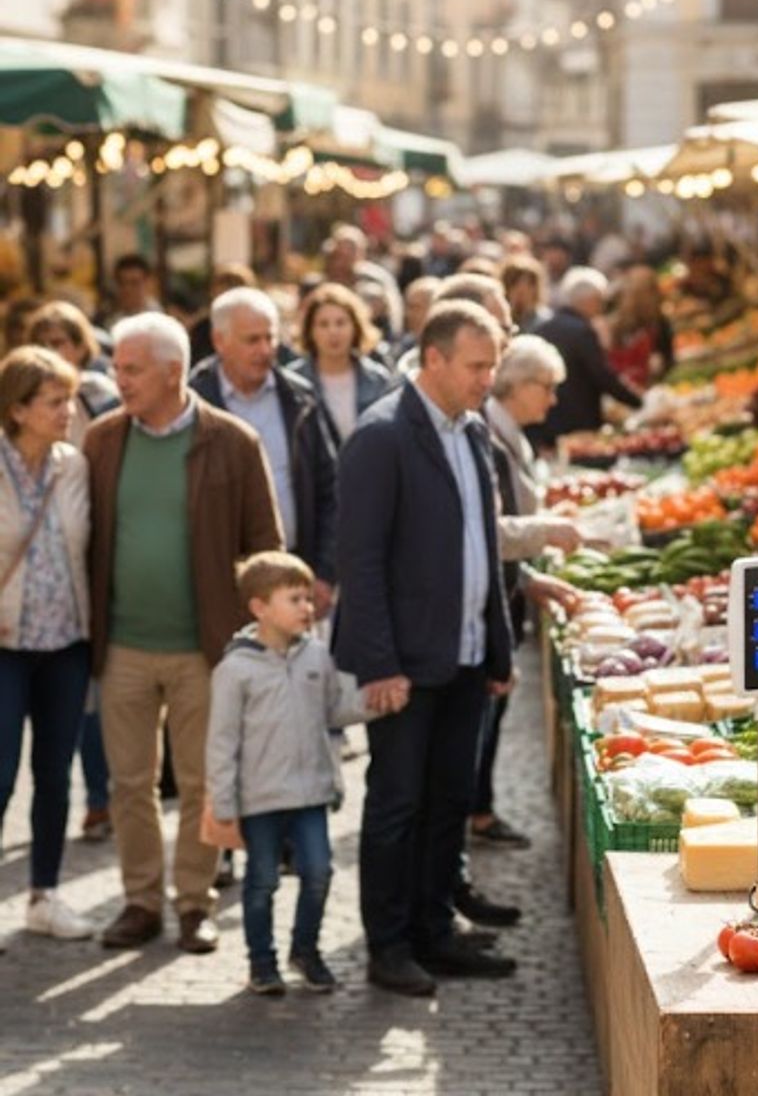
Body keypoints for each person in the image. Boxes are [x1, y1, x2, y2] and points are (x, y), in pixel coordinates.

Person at [84, 312, 283, 952]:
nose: (120, 380)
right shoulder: (102, 440)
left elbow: (265, 547)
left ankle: (194, 903)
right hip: (122, 645)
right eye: (117, 368)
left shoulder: (233, 441)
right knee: (128, 783)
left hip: (206, 648)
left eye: (132, 369)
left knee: (203, 780)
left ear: (173, 372)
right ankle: (141, 901)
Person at [335, 300, 516, 997]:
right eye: (477, 365)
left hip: (466, 657)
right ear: (433, 359)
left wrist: (498, 650)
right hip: (406, 666)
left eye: (494, 364)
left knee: (447, 801)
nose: (487, 379)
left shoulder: (472, 434)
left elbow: (485, 548)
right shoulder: (381, 436)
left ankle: (436, 928)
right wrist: (379, 664)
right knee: (395, 806)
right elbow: (362, 560)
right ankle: (389, 944)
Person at [206, 551, 391, 996]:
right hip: (260, 799)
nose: (308, 608)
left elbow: (334, 710)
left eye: (309, 598)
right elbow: (222, 741)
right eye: (295, 599)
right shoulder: (234, 671)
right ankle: (261, 961)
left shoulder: (317, 658)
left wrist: (375, 703)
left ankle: (304, 950)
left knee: (319, 871)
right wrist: (224, 803)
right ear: (259, 608)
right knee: (262, 880)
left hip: (311, 795)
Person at [0, 347, 93, 939]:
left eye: (69, 399)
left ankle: (45, 895)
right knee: (0, 775)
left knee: (56, 774)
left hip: (66, 644)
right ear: (17, 409)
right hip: (4, 646)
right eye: (55, 401)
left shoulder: (75, 465)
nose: (68, 410)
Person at [474, 337, 582, 850]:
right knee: (481, 718)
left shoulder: (506, 432)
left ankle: (478, 809)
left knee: (489, 719)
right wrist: (544, 532)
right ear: (519, 385)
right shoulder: (488, 433)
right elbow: (488, 530)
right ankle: (474, 814)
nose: (554, 399)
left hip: (507, 588)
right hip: (489, 597)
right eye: (548, 387)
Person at [25, 303, 119, 841]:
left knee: (94, 695)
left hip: (94, 556)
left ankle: (100, 795)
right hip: (38, 578)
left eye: (64, 340)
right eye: (45, 340)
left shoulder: (100, 400)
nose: (56, 349)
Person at [190, 288, 338, 620]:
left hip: (296, 577)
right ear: (219, 340)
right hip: (221, 585)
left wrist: (326, 573)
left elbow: (331, 490)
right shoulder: (193, 404)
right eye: (252, 340)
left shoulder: (300, 399)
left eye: (270, 338)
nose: (265, 350)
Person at [528, 267, 643, 450]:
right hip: (578, 420)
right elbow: (603, 375)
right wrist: (639, 402)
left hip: (548, 420)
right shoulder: (582, 331)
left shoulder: (543, 327)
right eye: (599, 301)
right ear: (589, 300)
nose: (600, 308)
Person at [287, 283, 396, 449]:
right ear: (310, 331)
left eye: (341, 323)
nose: (333, 332)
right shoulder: (293, 381)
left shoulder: (378, 379)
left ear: (355, 327)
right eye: (323, 324)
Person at [26, 302, 120, 448]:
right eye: (40, 344)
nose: (48, 351)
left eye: (57, 343)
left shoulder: (99, 391)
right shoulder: (23, 395)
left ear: (81, 348)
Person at [324, 224, 404, 345]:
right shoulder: (326, 279)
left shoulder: (377, 279)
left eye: (351, 249)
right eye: (341, 252)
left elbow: (394, 316)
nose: (346, 256)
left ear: (361, 252)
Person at [607, 265, 674, 389]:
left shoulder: (660, 321)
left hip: (656, 388)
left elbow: (668, 359)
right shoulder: (618, 325)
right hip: (631, 389)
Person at [104, 254, 158, 327]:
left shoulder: (163, 318)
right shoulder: (108, 321)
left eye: (134, 283)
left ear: (148, 283)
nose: (127, 289)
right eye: (122, 283)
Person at [501, 255, 549, 333]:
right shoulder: (497, 320)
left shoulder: (546, 321)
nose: (521, 290)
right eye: (514, 283)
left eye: (530, 284)